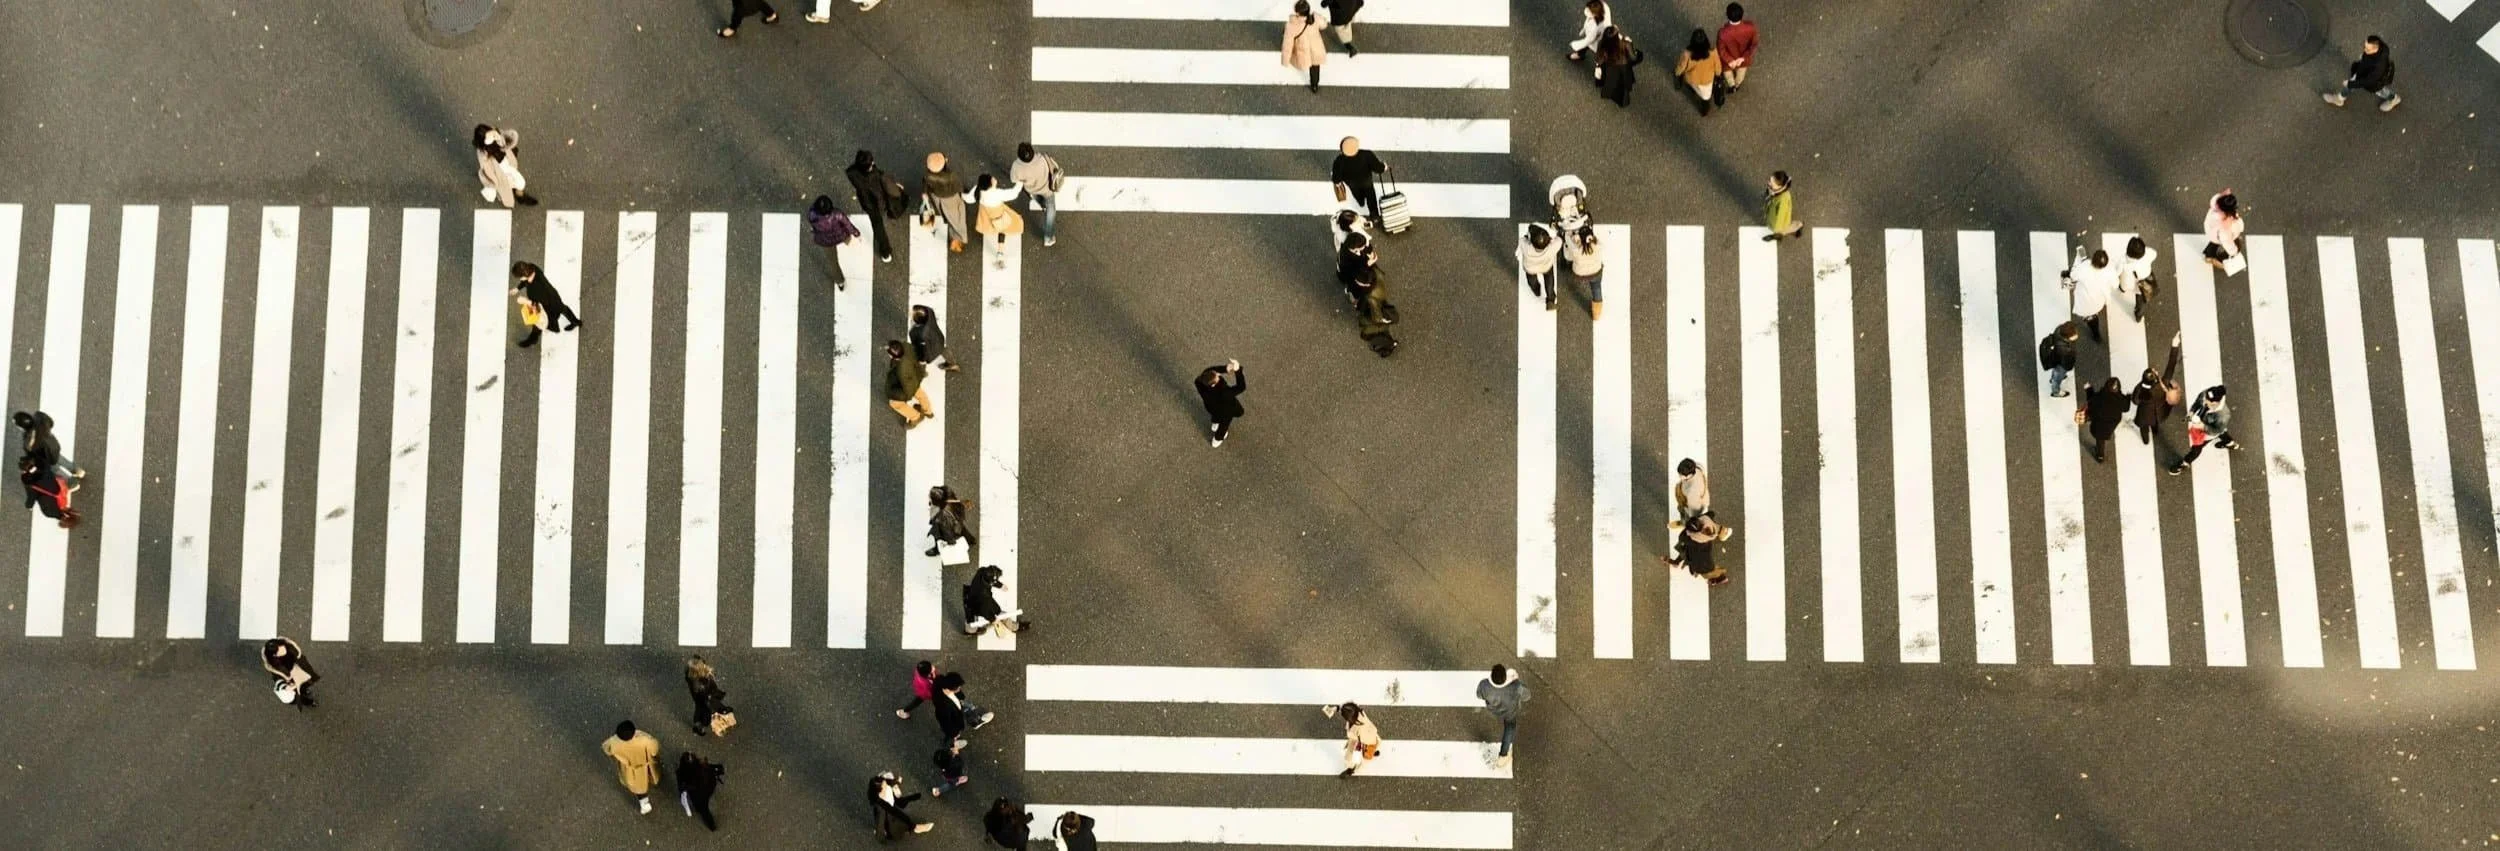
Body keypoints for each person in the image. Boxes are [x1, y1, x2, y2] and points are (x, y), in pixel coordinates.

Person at [846, 150, 904, 263]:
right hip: (878, 203)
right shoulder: (877, 176)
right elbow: (889, 189)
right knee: (880, 225)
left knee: (877, 226)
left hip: (867, 203)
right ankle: (885, 251)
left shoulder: (851, 173)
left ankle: (885, 252)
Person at [2168, 385, 2239, 475]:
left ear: (2216, 403)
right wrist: (2192, 412)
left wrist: (2202, 427)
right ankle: (2230, 443)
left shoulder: (2223, 416)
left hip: (2209, 431)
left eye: (2208, 402)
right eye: (2205, 399)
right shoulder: (2207, 394)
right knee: (2222, 432)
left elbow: (2216, 431)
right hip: (2206, 422)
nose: (2205, 402)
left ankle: (2185, 463)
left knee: (2197, 448)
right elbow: (2198, 402)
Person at [511, 261, 582, 349]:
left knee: (538, 320)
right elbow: (526, 281)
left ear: (525, 275)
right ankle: (576, 322)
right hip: (553, 296)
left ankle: (533, 339)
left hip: (549, 304)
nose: (520, 279)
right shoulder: (532, 267)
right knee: (562, 308)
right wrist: (518, 288)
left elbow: (542, 303)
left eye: (520, 277)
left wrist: (525, 301)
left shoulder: (537, 286)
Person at [2322, 35, 2399, 112]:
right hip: (2363, 71)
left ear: (2375, 49)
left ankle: (2394, 99)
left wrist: (2350, 84)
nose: (2364, 50)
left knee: (2380, 91)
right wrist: (2364, 58)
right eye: (2364, 46)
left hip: (2375, 82)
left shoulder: (2378, 67)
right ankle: (2339, 99)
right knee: (2353, 81)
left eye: (2367, 49)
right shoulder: (2381, 48)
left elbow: (2367, 81)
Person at [1007, 143, 1064, 247]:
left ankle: (1041, 204)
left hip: (1032, 190)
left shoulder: (1016, 167)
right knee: (1051, 209)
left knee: (1038, 199)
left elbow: (1013, 179)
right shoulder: (1042, 159)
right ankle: (1048, 237)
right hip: (1047, 189)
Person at [603, 721, 663, 815]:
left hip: (629, 770)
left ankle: (644, 803)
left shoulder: (615, 744)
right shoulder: (644, 740)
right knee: (651, 774)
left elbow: (606, 748)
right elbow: (654, 749)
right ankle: (654, 782)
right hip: (645, 765)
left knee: (637, 787)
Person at [1476, 664, 1529, 768]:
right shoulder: (1515, 686)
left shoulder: (1484, 685)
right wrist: (1516, 680)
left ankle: (1503, 756)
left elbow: (1479, 695)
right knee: (1509, 728)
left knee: (1508, 726)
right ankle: (1503, 755)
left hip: (1495, 710)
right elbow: (1527, 696)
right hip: (1510, 712)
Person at [472, 125, 537, 208]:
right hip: (500, 174)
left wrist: (498, 137)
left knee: (520, 182)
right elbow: (486, 170)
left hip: (508, 165)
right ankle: (518, 196)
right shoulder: (483, 154)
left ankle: (519, 195)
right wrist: (492, 184)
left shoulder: (497, 136)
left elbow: (511, 139)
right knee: (510, 186)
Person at [804, 195, 860, 289]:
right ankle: (851, 243)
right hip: (840, 235)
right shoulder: (837, 214)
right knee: (847, 239)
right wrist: (856, 233)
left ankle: (840, 282)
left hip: (825, 241)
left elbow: (813, 225)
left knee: (833, 262)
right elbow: (847, 224)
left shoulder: (812, 215)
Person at [972, 174, 1025, 270]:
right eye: (992, 179)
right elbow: (1013, 193)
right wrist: (1020, 182)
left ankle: (1000, 253)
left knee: (998, 227)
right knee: (1004, 227)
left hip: (987, 214)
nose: (994, 178)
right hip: (999, 214)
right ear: (990, 184)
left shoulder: (978, 191)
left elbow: (968, 198)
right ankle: (1000, 252)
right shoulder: (997, 194)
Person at [1331, 137, 1388, 226]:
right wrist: (1384, 167)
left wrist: (1338, 183)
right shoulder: (1366, 155)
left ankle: (1360, 201)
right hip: (1367, 181)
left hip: (1352, 183)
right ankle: (1374, 216)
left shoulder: (1339, 161)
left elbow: (1336, 178)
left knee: (1356, 193)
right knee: (1371, 197)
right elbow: (1378, 168)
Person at [2062, 249, 2115, 344]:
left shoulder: (2085, 266)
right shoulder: (2109, 271)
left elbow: (2073, 275)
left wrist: (2079, 260)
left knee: (2091, 319)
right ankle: (2096, 336)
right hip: (2099, 303)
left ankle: (2095, 333)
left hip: (2085, 304)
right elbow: (2115, 284)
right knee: (2093, 321)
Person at [920, 153, 970, 253]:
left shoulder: (928, 175)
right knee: (957, 219)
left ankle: (954, 237)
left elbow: (925, 185)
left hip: (937, 197)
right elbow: (958, 186)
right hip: (951, 198)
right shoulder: (950, 176)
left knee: (946, 216)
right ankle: (957, 239)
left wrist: (925, 193)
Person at [2075, 376, 2130, 464]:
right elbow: (2126, 408)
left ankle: (2100, 455)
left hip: (2098, 423)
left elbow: (2091, 400)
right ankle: (2100, 455)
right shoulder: (2120, 399)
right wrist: (2128, 397)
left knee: (2100, 439)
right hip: (2111, 424)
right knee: (2102, 438)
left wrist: (2089, 389)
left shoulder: (2100, 397)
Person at [1661, 514, 1729, 586]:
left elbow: (1682, 537)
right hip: (1703, 555)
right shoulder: (1708, 527)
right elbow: (1711, 514)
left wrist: (1687, 530)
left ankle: (1720, 577)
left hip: (1702, 563)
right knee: (1685, 551)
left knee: (1704, 573)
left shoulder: (1695, 540)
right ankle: (1676, 562)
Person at [933, 671, 994, 748]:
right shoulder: (943, 707)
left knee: (966, 711)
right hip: (954, 716)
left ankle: (974, 723)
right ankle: (954, 740)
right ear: (952, 689)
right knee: (957, 724)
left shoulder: (940, 682)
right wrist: (954, 733)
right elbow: (945, 723)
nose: (960, 688)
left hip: (956, 707)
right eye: (958, 687)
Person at [1672, 459, 1730, 540]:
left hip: (1695, 505)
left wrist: (1691, 522)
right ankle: (1721, 530)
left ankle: (1684, 522)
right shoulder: (1697, 468)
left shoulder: (1692, 493)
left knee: (1698, 521)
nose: (1679, 476)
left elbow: (1693, 514)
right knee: (1705, 521)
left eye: (1680, 475)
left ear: (1687, 476)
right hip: (1702, 499)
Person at [963, 565, 1028, 636]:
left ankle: (970, 630)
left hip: (970, 596)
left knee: (970, 615)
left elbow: (989, 581)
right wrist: (993, 619)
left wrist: (1000, 585)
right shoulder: (984, 596)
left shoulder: (982, 571)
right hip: (980, 601)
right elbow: (985, 611)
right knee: (997, 611)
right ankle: (1013, 627)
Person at [885, 341, 935, 428]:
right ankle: (928, 411)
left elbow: (909, 389)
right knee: (919, 393)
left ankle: (916, 417)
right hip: (916, 375)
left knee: (894, 402)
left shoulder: (901, 370)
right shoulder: (906, 347)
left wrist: (904, 397)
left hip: (909, 382)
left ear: (894, 357)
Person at [1198, 360, 1246, 448]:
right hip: (1225, 410)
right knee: (1225, 424)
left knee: (1216, 414)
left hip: (1211, 406)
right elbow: (1241, 387)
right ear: (1213, 384)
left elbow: (1210, 370)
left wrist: (1226, 368)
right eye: (1217, 377)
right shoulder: (1224, 393)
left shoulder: (1199, 382)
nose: (1218, 375)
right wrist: (1238, 370)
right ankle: (1217, 439)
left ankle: (1215, 424)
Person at [871, 771, 934, 837]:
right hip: (890, 817)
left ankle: (910, 826)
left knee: (900, 805)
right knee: (901, 821)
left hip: (891, 806)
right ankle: (915, 828)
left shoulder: (885, 788)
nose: (886, 784)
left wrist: (895, 782)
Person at [20, 455, 77, 528]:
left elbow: (31, 496)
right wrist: (29, 506)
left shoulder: (63, 503)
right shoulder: (49, 513)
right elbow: (33, 496)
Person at [262, 636, 320, 708]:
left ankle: (304, 690)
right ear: (274, 655)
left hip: (298, 669)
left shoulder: (289, 647)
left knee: (305, 683)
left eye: (281, 646)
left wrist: (310, 672)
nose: (283, 649)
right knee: (297, 694)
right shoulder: (274, 666)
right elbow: (278, 677)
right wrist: (285, 686)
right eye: (280, 651)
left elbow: (302, 661)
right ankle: (308, 702)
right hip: (289, 678)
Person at [1673, 29, 1721, 114]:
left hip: (1692, 79)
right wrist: (1718, 75)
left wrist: (1677, 73)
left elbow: (1681, 67)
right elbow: (1718, 67)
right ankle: (1704, 110)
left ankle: (1694, 92)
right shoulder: (1712, 52)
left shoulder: (1687, 54)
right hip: (1707, 80)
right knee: (1705, 98)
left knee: (1691, 87)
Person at [1283, 2, 1327, 93]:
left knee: (1306, 62)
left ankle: (1314, 84)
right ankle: (1314, 85)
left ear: (1298, 13)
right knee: (1315, 67)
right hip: (1316, 48)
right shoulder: (1315, 18)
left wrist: (1285, 60)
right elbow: (1324, 24)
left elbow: (1287, 44)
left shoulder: (1292, 25)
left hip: (1302, 50)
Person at [2131, 363, 2178, 448]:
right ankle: (2155, 432)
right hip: (2156, 414)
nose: (2155, 370)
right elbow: (2170, 367)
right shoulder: (2160, 387)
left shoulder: (2139, 388)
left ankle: (2146, 440)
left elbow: (2135, 401)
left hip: (2143, 415)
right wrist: (2174, 349)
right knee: (2155, 424)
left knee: (2144, 428)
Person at [1564, 225, 1605, 320]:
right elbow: (1600, 244)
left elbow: (1568, 253)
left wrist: (1571, 237)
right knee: (1596, 288)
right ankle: (1596, 314)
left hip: (1580, 274)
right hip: (1595, 272)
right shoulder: (1597, 246)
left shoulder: (1576, 250)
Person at [677, 751, 724, 831]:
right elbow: (710, 768)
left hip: (698, 796)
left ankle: (712, 826)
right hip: (709, 787)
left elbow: (682, 787)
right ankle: (712, 826)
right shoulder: (702, 767)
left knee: (703, 810)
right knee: (705, 809)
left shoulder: (682, 774)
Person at [1716, 4, 1758, 94]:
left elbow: (1721, 50)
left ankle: (1732, 85)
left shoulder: (1723, 32)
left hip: (1729, 59)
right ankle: (1737, 84)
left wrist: (1730, 60)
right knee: (1741, 73)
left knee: (1727, 73)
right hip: (1743, 59)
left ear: (1727, 15)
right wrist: (1743, 58)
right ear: (1742, 14)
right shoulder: (1751, 27)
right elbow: (1753, 44)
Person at [686, 656, 732, 737]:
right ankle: (700, 725)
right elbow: (707, 697)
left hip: (700, 697)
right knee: (706, 713)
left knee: (699, 707)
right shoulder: (700, 684)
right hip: (705, 697)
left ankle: (698, 724)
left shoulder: (691, 676)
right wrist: (712, 710)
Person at [926, 485, 977, 558]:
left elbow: (946, 531)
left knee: (937, 535)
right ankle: (971, 540)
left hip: (949, 524)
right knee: (962, 529)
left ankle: (937, 549)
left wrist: (950, 541)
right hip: (956, 519)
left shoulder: (941, 517)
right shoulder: (947, 492)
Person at [1333, 701, 1382, 777]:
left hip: (1363, 738)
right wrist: (1337, 708)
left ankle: (1351, 769)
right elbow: (1351, 706)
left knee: (1349, 754)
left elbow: (1351, 737)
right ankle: (1373, 751)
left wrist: (1338, 709)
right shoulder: (1360, 711)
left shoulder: (1352, 730)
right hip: (1372, 731)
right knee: (1377, 742)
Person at [1595, 28, 1640, 108]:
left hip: (1610, 66)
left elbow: (1599, 57)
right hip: (1623, 67)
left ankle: (1609, 93)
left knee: (1611, 81)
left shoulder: (1602, 43)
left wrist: (1598, 66)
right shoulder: (1625, 44)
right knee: (1623, 87)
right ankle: (1623, 102)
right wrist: (1631, 43)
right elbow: (1633, 58)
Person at [1520, 224, 1561, 311]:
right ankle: (1550, 299)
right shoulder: (1551, 248)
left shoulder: (1526, 247)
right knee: (1549, 279)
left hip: (1530, 268)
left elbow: (1522, 239)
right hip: (1546, 266)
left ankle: (1536, 290)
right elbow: (1559, 241)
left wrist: (1528, 238)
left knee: (1532, 280)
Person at [2202, 190, 2244, 272]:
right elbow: (2226, 241)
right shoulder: (2225, 225)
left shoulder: (2216, 203)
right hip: (2217, 236)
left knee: (2213, 244)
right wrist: (2234, 252)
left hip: (2211, 230)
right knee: (2217, 245)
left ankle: (2208, 256)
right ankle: (2213, 258)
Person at [910, 305, 961, 373]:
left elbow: (917, 347)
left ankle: (948, 367)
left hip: (932, 349)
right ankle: (952, 363)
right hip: (939, 339)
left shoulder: (915, 332)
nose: (910, 312)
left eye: (912, 313)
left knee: (931, 360)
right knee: (944, 350)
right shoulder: (930, 312)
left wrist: (922, 359)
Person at [2119, 236, 2159, 321]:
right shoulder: (2148, 253)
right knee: (2142, 301)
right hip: (2147, 278)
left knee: (2139, 297)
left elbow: (2125, 282)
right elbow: (2154, 254)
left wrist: (2123, 288)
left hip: (2137, 284)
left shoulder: (2125, 264)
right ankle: (2139, 315)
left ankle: (2138, 315)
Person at [2038, 321, 2080, 398]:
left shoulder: (2059, 330)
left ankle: (2053, 379)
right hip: (2062, 365)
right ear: (2068, 337)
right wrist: (2069, 368)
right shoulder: (2066, 349)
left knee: (2056, 373)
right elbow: (2067, 363)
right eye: (2074, 334)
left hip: (2056, 360)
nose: (2077, 334)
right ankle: (2056, 392)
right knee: (2057, 378)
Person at [1761, 171, 1801, 241]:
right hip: (1774, 214)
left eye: (1772, 183)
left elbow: (1779, 220)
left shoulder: (1783, 201)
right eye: (1770, 180)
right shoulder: (1778, 191)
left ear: (1779, 186)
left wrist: (1776, 231)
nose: (1768, 183)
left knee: (1782, 230)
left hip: (1778, 222)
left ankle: (1796, 227)